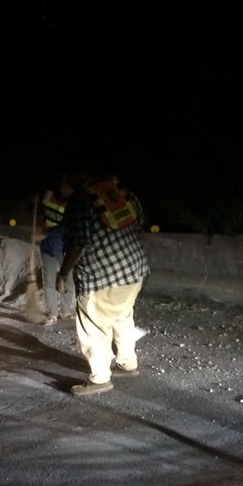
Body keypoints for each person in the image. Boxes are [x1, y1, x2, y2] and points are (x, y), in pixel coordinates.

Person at [56, 169, 151, 396]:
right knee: (122, 315)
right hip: (134, 270)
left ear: (71, 181)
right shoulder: (119, 192)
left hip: (101, 277)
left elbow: (79, 243)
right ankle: (127, 363)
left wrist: (63, 273)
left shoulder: (80, 201)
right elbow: (140, 222)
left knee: (94, 326)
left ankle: (100, 378)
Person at [35, 174, 77, 324]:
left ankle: (65, 311)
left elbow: (65, 227)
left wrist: (45, 233)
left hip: (65, 247)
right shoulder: (49, 197)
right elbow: (40, 214)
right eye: (64, 187)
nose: (65, 190)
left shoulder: (73, 205)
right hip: (48, 247)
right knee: (49, 281)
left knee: (68, 279)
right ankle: (52, 313)